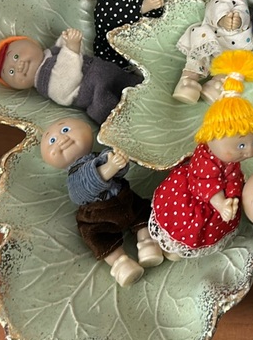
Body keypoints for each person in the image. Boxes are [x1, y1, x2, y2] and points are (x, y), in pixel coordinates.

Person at [150, 50, 253, 259]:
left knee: (213, 223)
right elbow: (204, 183)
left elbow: (234, 177)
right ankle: (171, 244)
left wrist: (233, 195)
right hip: (193, 199)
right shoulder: (204, 160)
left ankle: (181, 247)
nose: (249, 150)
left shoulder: (231, 160)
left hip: (218, 205)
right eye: (241, 145)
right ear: (214, 137)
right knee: (185, 224)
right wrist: (221, 202)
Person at [40, 117, 163, 287]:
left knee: (142, 210)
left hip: (125, 199)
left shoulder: (101, 156)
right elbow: (81, 193)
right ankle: (121, 263)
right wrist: (110, 167)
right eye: (52, 140)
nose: (62, 139)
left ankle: (147, 242)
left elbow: (119, 171)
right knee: (97, 237)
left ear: (87, 130)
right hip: (99, 214)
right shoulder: (73, 178)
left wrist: (120, 162)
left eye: (65, 130)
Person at [0, 29, 142, 124]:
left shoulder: (51, 53)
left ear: (31, 42)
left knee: (129, 82)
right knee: (114, 112)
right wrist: (72, 48)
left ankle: (142, 87)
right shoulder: (44, 83)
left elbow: (73, 51)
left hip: (105, 72)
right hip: (94, 93)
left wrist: (67, 39)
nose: (18, 66)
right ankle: (131, 121)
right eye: (11, 72)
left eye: (15, 56)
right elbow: (66, 82)